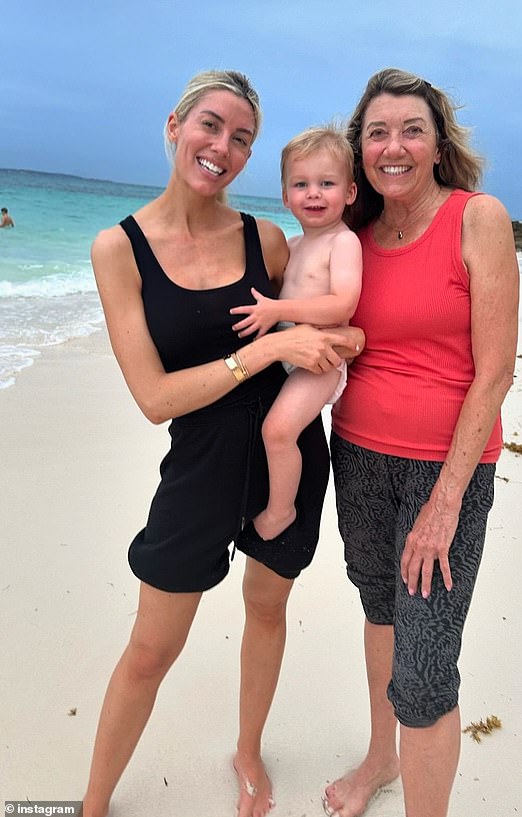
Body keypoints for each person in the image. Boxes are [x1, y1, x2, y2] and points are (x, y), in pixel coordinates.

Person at [82, 70, 361, 817]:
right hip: (200, 467)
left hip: (287, 456)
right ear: (174, 125)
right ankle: (94, 802)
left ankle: (247, 749)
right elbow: (153, 398)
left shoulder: (264, 238)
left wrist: (347, 337)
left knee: (267, 609)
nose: (223, 147)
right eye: (211, 126)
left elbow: (328, 319)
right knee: (150, 651)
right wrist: (264, 354)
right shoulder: (119, 249)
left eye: (241, 139)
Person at [323, 68, 519, 817]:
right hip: (359, 455)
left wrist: (445, 502)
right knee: (379, 607)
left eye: (410, 130)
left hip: (448, 470)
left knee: (428, 663)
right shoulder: (352, 236)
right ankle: (382, 756)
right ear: (360, 148)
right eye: (377, 132)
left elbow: (496, 370)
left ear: (438, 145)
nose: (392, 146)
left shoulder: (477, 218)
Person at [229, 126, 362, 540]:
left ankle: (281, 511)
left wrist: (276, 311)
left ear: (350, 193)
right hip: (288, 355)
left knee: (279, 430)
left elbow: (343, 304)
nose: (314, 194)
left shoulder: (344, 242)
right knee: (263, 428)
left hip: (321, 362)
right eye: (301, 185)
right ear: (285, 197)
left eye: (327, 183)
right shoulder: (292, 243)